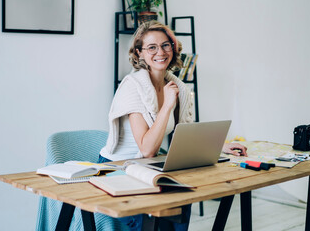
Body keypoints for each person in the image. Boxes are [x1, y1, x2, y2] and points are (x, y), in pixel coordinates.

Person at [98, 21, 247, 231]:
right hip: (118, 169)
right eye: (152, 47)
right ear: (140, 53)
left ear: (173, 48)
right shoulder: (132, 86)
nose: (160, 52)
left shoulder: (178, 87)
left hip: (146, 168)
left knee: (183, 197)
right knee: (153, 217)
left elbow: (183, 135)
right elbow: (147, 149)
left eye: (165, 45)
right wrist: (167, 105)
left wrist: (219, 146)